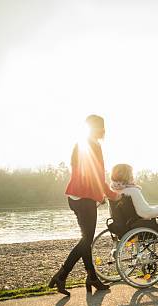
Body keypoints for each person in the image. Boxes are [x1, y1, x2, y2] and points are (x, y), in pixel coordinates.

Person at [49, 114, 120, 295]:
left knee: (86, 240)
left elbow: (84, 175)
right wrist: (112, 195)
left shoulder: (79, 145)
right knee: (86, 240)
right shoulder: (94, 146)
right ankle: (62, 274)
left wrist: (98, 195)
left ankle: (92, 277)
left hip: (74, 197)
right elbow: (97, 175)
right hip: (85, 199)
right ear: (100, 129)